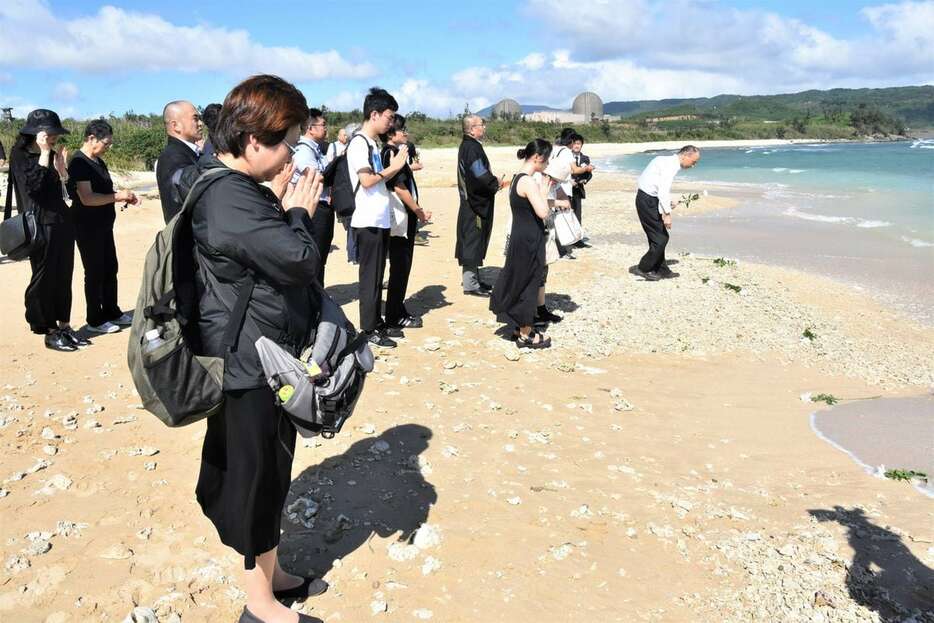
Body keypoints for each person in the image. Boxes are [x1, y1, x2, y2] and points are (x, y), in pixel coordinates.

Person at [184, 74, 325, 623]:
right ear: (252, 142)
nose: (292, 151)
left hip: (257, 353)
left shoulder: (236, 189)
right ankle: (259, 605)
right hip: (248, 364)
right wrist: (298, 212)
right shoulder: (229, 198)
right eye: (287, 139)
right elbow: (299, 259)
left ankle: (274, 574)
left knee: (271, 469)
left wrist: (285, 209)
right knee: (254, 477)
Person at [8, 109, 86, 351]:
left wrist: (62, 171)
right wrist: (43, 154)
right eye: (50, 134)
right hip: (39, 226)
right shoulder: (20, 156)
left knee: (64, 275)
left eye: (55, 134)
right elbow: (33, 187)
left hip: (61, 222)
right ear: (37, 133)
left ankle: (64, 325)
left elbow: (64, 190)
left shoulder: (52, 154)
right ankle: (49, 330)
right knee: (45, 279)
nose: (54, 138)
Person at [348, 87, 409, 348]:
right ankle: (368, 328)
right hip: (367, 219)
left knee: (378, 274)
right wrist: (394, 168)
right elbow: (367, 179)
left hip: (379, 217)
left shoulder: (374, 143)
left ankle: (377, 322)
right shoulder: (359, 142)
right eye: (388, 116)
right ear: (374, 115)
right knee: (370, 277)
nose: (391, 122)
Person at [67, 119, 139, 335]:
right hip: (87, 226)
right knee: (95, 272)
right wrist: (118, 197)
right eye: (105, 144)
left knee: (110, 268)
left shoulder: (97, 161)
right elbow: (87, 198)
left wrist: (123, 195)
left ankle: (112, 311)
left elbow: (103, 189)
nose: (108, 148)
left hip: (104, 225)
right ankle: (95, 318)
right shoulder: (79, 162)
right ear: (91, 138)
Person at [489, 139, 554, 348]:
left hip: (520, 234)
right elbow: (543, 212)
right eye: (547, 159)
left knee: (520, 278)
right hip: (529, 238)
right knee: (529, 282)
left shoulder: (517, 178)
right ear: (537, 157)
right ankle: (527, 333)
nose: (547, 164)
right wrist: (544, 191)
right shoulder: (528, 181)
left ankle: (519, 328)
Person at [380, 114, 432, 329]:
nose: (406, 134)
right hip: (400, 217)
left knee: (400, 265)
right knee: (401, 265)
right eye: (403, 131)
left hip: (397, 216)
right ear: (392, 133)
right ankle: (394, 315)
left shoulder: (389, 152)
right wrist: (418, 211)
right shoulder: (393, 154)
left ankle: (397, 308)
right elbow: (400, 188)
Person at [455, 114, 508, 296]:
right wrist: (495, 183)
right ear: (471, 129)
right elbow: (479, 174)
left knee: (475, 240)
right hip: (474, 204)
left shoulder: (470, 146)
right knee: (472, 240)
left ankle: (474, 279)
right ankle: (470, 284)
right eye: (481, 125)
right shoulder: (471, 148)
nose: (484, 128)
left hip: (473, 201)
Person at [635, 145, 701, 280]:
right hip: (646, 200)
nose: (693, 166)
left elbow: (655, 185)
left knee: (658, 237)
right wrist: (668, 214)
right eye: (693, 162)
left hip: (648, 199)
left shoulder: (664, 160)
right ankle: (644, 267)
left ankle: (662, 269)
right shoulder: (670, 165)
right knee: (661, 238)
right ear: (685, 156)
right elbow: (662, 190)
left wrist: (667, 204)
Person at [290, 107, 333, 286]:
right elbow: (315, 176)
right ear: (310, 128)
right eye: (322, 125)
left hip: (321, 207)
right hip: (313, 210)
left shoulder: (315, 149)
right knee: (314, 258)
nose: (325, 128)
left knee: (320, 257)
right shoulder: (303, 151)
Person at [156, 100, 203, 222]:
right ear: (175, 126)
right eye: (195, 119)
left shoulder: (186, 152)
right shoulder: (172, 157)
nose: (200, 123)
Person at [569, 133, 593, 248]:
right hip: (566, 189)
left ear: (582, 145)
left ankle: (577, 240)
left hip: (578, 190)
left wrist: (584, 180)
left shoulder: (585, 158)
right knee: (566, 213)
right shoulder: (567, 156)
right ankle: (566, 239)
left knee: (577, 214)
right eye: (574, 143)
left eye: (578, 143)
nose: (576, 145)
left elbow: (589, 174)